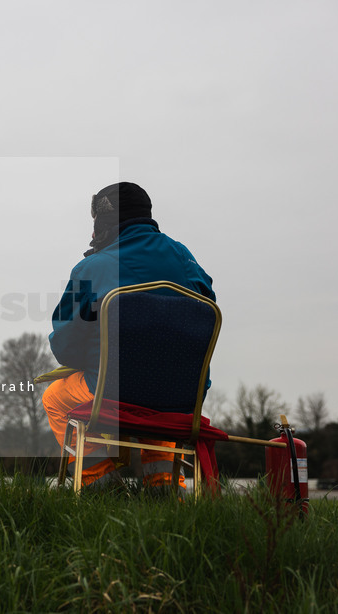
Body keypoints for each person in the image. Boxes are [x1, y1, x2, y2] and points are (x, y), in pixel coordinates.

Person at [42, 181, 215, 491]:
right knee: (157, 390)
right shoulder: (184, 258)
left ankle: (99, 484)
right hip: (182, 397)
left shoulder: (90, 268)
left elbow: (65, 347)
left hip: (110, 393)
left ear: (103, 222)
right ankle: (164, 484)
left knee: (55, 396)